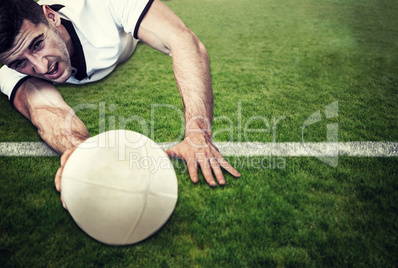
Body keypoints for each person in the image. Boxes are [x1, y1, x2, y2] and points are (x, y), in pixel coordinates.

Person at [0, 0, 241, 202]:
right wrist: (82, 154)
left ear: (51, 17)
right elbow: (44, 109)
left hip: (128, 32)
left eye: (38, 44)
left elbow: (183, 41)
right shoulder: (9, 67)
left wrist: (198, 133)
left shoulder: (103, 4)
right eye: (20, 62)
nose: (41, 66)